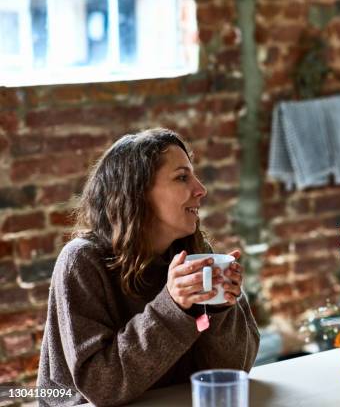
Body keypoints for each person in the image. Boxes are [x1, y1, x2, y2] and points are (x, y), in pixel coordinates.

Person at [37, 128, 260, 406]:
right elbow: (101, 386)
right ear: (138, 193)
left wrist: (218, 307)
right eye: (182, 177)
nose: (201, 190)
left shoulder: (192, 254)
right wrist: (173, 307)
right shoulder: (82, 262)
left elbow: (234, 372)